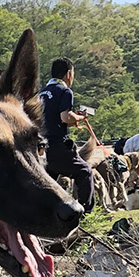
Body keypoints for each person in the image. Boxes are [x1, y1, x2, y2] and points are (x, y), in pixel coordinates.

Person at [39, 58, 94, 213]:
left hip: (42, 145)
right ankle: (87, 214)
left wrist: (71, 120)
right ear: (68, 74)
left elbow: (53, 118)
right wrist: (79, 118)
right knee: (84, 172)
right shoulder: (65, 91)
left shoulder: (42, 93)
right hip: (57, 144)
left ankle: (43, 215)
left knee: (48, 182)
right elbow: (65, 117)